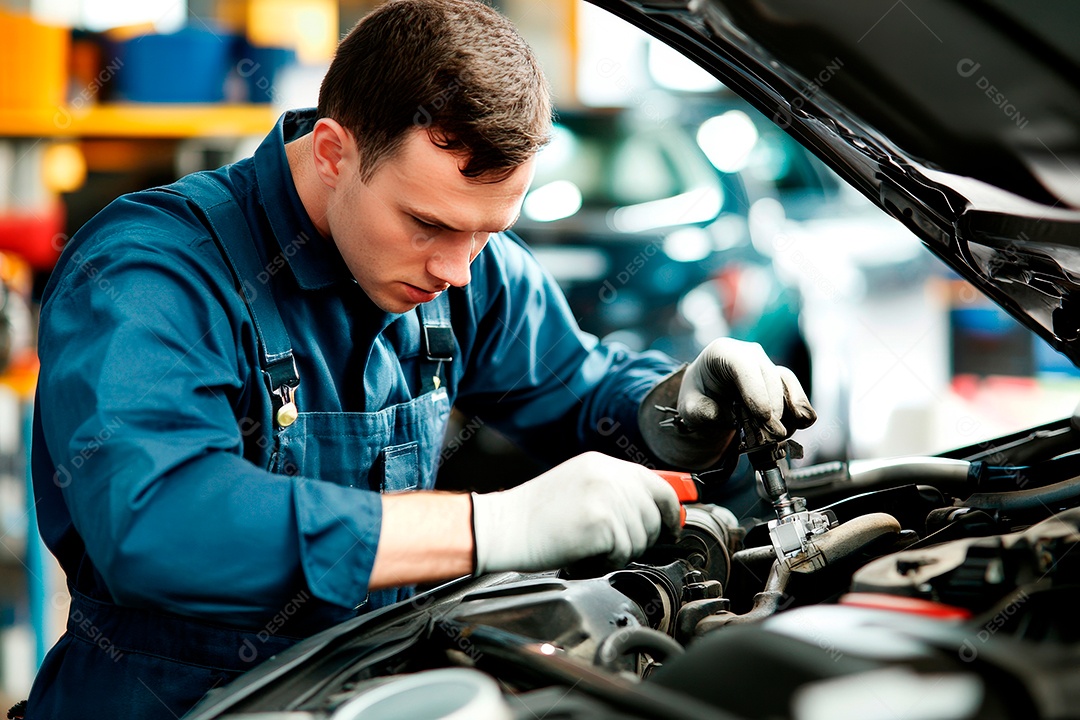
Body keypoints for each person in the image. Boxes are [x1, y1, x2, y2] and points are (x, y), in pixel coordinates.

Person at [21, 1, 815, 717]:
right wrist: (490, 526)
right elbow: (159, 524)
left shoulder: (467, 270)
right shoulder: (152, 271)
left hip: (375, 687)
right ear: (333, 152)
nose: (457, 271)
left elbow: (576, 388)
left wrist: (679, 408)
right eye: (427, 224)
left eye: (488, 233)